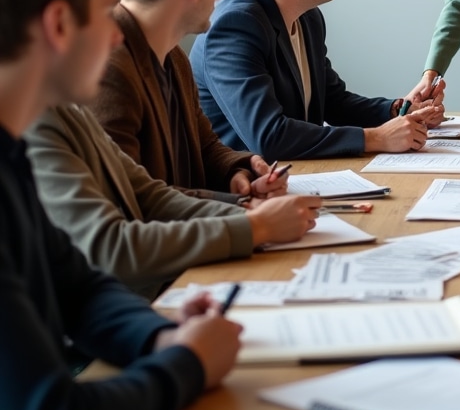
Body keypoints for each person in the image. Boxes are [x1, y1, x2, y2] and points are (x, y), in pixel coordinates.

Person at [0, 0, 240, 410]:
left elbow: (78, 286)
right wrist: (186, 364)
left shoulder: (12, 151)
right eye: (104, 10)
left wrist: (163, 336)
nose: (116, 34)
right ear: (58, 24)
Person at [191, 0, 445, 159]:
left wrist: (399, 110)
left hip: (299, 175)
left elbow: (332, 101)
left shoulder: (308, 17)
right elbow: (268, 137)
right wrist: (377, 137)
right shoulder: (235, 27)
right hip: (244, 188)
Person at [92, 0, 286, 201]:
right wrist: (242, 208)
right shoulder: (107, 70)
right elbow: (132, 200)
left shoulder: (173, 55)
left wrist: (238, 171)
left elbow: (206, 145)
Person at [27, 103, 321, 301]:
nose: (115, 35)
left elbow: (152, 196)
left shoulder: (68, 108)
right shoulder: (36, 124)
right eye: (105, 13)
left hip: (137, 306)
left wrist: (249, 210)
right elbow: (109, 250)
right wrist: (255, 226)